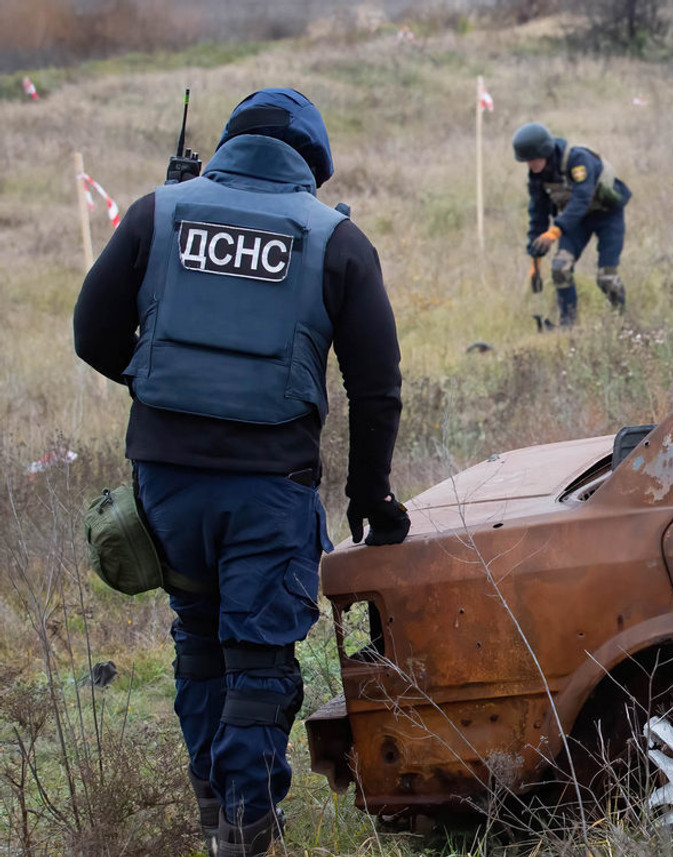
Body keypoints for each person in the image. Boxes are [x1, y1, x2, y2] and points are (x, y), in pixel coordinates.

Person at [72, 88, 409, 857]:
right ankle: (247, 831)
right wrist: (371, 496)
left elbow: (91, 333)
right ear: (312, 163)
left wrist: (167, 385)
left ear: (227, 144)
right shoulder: (337, 240)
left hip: (165, 484)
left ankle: (215, 807)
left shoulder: (158, 212)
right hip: (267, 489)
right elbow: (377, 386)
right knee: (257, 661)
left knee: (197, 639)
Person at [514, 122, 630, 328]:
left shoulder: (578, 160)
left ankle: (623, 323)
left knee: (607, 278)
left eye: (533, 159)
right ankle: (568, 326)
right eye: (527, 161)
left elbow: (581, 198)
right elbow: (538, 214)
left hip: (607, 216)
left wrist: (555, 231)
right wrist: (535, 256)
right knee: (560, 268)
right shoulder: (537, 178)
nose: (531, 164)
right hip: (576, 222)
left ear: (546, 152)